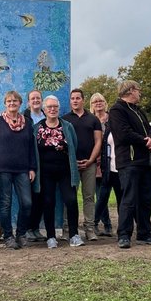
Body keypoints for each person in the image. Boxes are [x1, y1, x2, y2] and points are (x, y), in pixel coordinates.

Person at [109, 80, 151, 248]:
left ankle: (144, 233)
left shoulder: (139, 111)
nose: (140, 93)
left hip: (146, 161)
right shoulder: (117, 110)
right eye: (138, 90)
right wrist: (146, 141)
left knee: (145, 199)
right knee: (129, 199)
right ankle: (124, 234)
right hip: (129, 162)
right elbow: (123, 134)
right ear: (131, 90)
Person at [0, 90, 37, 249]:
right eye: (9, 101)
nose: (12, 103)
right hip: (3, 170)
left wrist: (32, 167)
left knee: (27, 203)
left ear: (20, 103)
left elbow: (31, 147)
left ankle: (21, 234)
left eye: (15, 101)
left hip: (22, 169)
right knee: (6, 203)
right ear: (5, 104)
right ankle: (8, 236)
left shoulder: (27, 122)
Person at [34, 95, 82, 248]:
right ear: (44, 109)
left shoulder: (67, 126)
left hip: (65, 171)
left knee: (71, 201)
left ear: (59, 109)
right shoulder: (38, 128)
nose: (52, 109)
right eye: (49, 107)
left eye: (55, 107)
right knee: (48, 202)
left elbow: (74, 145)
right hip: (45, 173)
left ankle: (74, 235)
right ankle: (51, 237)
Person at [62, 88, 102, 241]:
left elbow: (98, 141)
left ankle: (90, 229)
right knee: (70, 197)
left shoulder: (93, 119)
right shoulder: (64, 119)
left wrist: (91, 160)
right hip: (71, 166)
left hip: (89, 164)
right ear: (70, 101)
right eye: (72, 98)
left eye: (78, 98)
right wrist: (71, 161)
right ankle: (68, 229)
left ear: (83, 100)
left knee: (89, 196)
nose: (75, 100)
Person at [23, 90, 47, 242]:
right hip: (28, 162)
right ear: (28, 102)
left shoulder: (47, 116)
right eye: (33, 98)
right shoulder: (23, 118)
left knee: (41, 197)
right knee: (28, 198)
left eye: (38, 98)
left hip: (44, 162)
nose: (36, 100)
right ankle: (26, 229)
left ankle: (36, 228)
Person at [90, 92, 114, 236]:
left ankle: (102, 223)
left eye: (100, 101)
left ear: (105, 103)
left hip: (110, 160)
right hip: (95, 161)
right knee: (100, 194)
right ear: (91, 105)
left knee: (104, 194)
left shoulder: (111, 119)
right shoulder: (91, 120)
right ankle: (105, 224)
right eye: (95, 102)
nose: (98, 104)